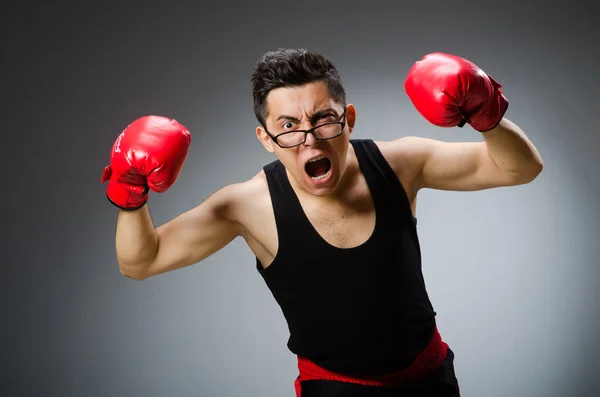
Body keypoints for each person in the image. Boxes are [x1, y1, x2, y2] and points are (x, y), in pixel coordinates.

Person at [101, 49, 543, 396]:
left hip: (430, 380)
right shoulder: (248, 205)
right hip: (333, 390)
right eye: (289, 125)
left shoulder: (400, 163)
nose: (309, 139)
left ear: (348, 119)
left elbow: (518, 168)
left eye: (323, 119)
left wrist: (487, 114)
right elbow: (141, 261)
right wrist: (130, 194)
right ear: (266, 139)